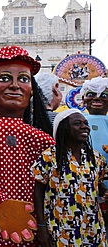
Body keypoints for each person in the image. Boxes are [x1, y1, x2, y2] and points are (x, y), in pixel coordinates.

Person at [0, 45, 55, 246]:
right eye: (5, 78)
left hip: (33, 231)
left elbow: (52, 186)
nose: (15, 85)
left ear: (32, 89)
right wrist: (0, 203)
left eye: (23, 79)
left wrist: (43, 225)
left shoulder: (44, 140)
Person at [31, 109, 108, 246]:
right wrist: (41, 226)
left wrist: (105, 193)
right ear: (64, 128)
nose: (84, 127)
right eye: (78, 123)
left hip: (92, 226)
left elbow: (98, 185)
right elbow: (38, 192)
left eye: (85, 123)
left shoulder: (95, 157)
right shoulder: (50, 156)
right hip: (61, 226)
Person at [81, 76, 108, 231]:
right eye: (91, 94)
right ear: (84, 98)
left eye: (104, 95)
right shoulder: (76, 119)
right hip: (84, 184)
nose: (97, 99)